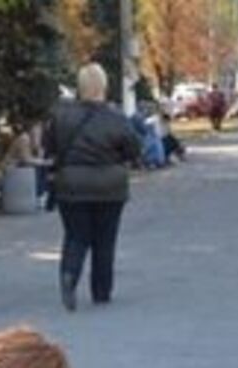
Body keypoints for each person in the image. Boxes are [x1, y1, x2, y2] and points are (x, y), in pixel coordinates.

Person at [43, 64, 143, 311]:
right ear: (104, 86)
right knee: (105, 240)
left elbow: (50, 147)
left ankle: (69, 275)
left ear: (80, 86)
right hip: (110, 187)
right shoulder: (116, 117)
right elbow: (133, 149)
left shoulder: (61, 115)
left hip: (72, 186)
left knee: (76, 236)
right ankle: (101, 291)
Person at [4, 120, 52, 209]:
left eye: (39, 132)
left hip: (21, 166)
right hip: (13, 166)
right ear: (30, 131)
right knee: (39, 167)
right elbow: (26, 159)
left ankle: (42, 194)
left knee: (42, 167)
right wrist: (43, 162)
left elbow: (37, 158)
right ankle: (40, 195)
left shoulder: (34, 141)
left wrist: (39, 150)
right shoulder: (24, 139)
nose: (38, 134)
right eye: (36, 131)